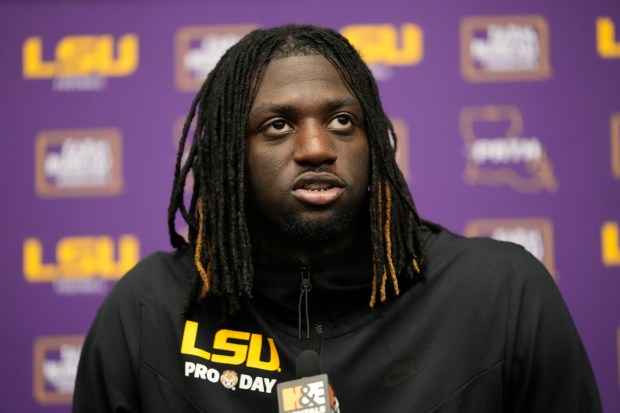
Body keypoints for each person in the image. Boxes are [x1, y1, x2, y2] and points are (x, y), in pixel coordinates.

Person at [73, 24, 602, 412]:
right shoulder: (147, 314)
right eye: (278, 125)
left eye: (342, 120)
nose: (316, 147)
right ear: (230, 156)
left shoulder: (501, 295)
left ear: (374, 142)